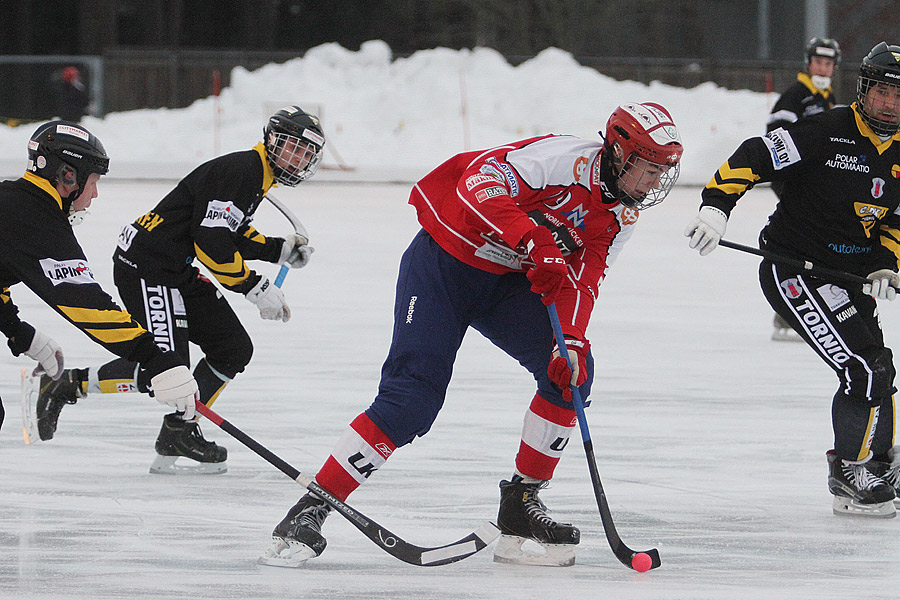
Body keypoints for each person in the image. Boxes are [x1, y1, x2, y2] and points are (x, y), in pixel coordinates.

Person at [260, 102, 683, 568]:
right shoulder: (564, 159)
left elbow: (585, 279)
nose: (653, 183)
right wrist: (532, 238)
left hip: (506, 283)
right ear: (620, 153)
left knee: (571, 375)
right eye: (648, 169)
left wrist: (575, 339)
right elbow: (477, 184)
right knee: (411, 400)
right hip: (445, 266)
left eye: (662, 172)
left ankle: (520, 506)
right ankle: (311, 508)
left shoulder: (622, 215)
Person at [22, 106, 323, 475]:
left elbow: (227, 232)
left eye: (307, 154)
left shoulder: (255, 175)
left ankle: (179, 430)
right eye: (294, 148)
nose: (299, 159)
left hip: (173, 268)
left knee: (233, 348)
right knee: (164, 370)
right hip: (147, 268)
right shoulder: (243, 171)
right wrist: (253, 286)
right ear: (272, 140)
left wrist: (278, 249)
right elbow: (210, 242)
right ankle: (69, 385)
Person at [684, 42, 900, 518]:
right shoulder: (826, 129)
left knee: (879, 367)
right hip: (795, 270)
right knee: (863, 369)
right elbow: (755, 154)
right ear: (864, 90)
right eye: (883, 92)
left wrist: (886, 263)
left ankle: (881, 463)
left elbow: (894, 220)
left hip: (852, 278)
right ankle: (850, 470)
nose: (890, 104)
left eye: (899, 96)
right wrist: (716, 208)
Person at [2, 120, 199, 441]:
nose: (95, 194)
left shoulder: (14, 201)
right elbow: (86, 304)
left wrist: (19, 332)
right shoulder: (37, 221)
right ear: (68, 175)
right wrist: (156, 358)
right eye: (92, 181)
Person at [767, 37, 841, 342]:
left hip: (813, 185)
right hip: (793, 181)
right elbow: (774, 139)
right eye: (818, 62)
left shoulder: (826, 97)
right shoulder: (795, 96)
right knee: (801, 242)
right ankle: (789, 312)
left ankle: (798, 310)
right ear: (808, 63)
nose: (822, 68)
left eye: (828, 63)